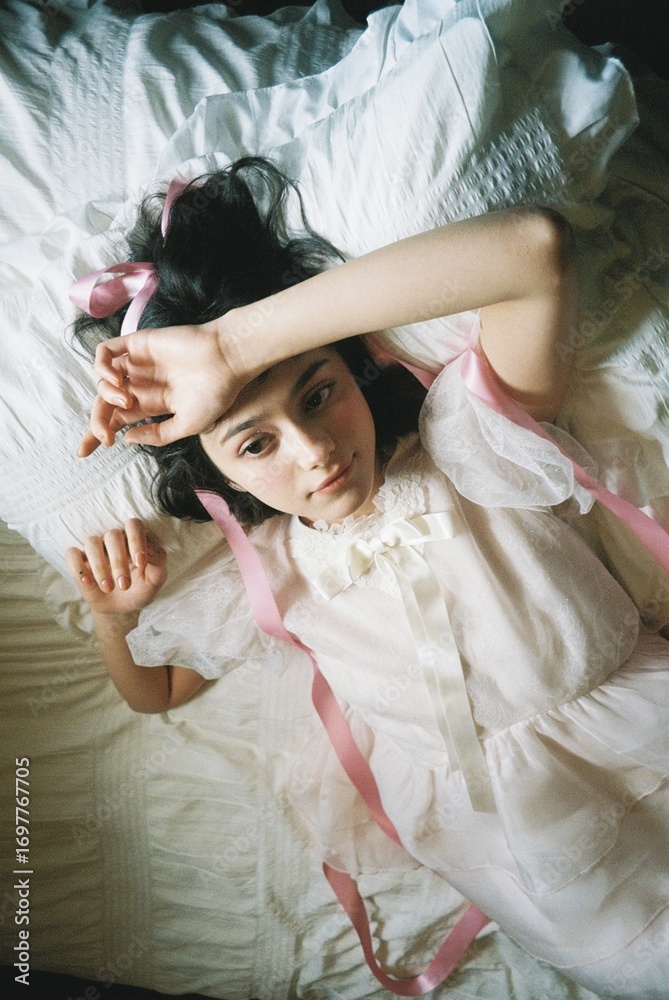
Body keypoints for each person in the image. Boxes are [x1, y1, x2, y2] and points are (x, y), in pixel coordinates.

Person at [66, 157, 669, 998]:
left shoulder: (469, 444)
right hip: (516, 852)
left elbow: (534, 248)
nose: (314, 450)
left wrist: (230, 346)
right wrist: (112, 617)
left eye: (318, 394)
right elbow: (156, 691)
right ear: (215, 477)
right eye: (255, 443)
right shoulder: (270, 574)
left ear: (355, 369)